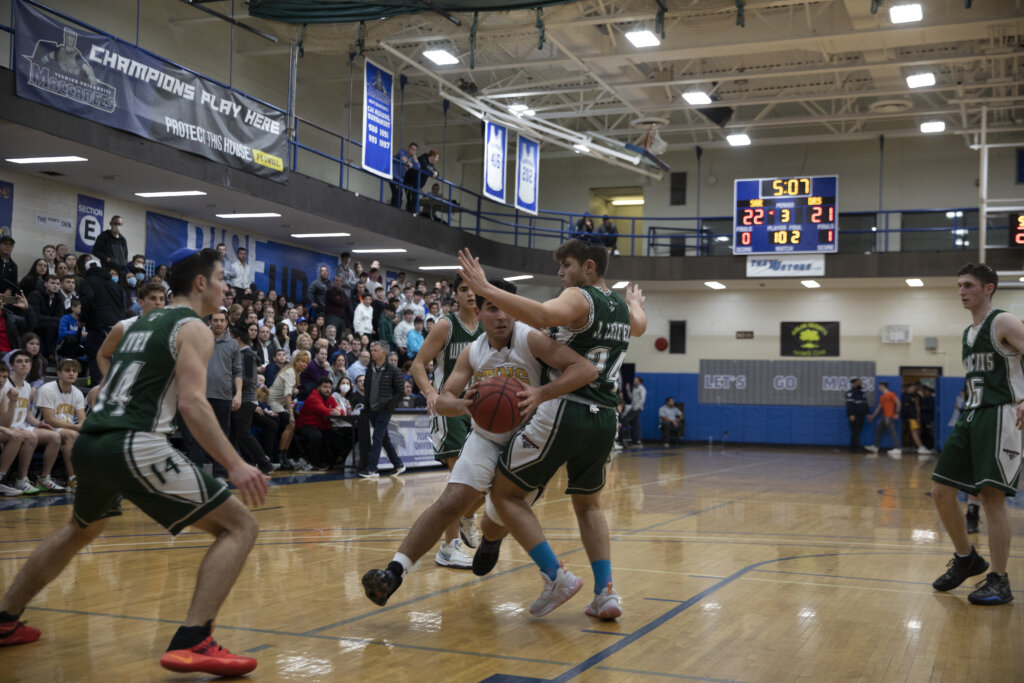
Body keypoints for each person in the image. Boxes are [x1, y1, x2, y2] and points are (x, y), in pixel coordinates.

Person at [0, 247, 269, 674]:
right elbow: (193, 404)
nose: (227, 287)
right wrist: (235, 463)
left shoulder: (141, 322)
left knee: (80, 530)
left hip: (91, 442)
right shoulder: (194, 328)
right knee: (241, 526)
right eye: (221, 278)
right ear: (200, 283)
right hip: (132, 442)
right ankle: (194, 639)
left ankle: (5, 619)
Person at [362, 278, 598, 606]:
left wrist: (541, 393)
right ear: (479, 312)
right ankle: (393, 573)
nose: (501, 315)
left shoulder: (530, 340)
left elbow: (585, 369)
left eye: (506, 308)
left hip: (528, 440)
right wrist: (463, 405)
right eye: (492, 308)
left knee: (497, 515)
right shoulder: (474, 351)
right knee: (451, 501)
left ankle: (490, 541)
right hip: (485, 437)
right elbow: (443, 400)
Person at [455, 239, 646, 619]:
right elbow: (640, 326)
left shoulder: (579, 297)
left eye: (567, 266)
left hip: (565, 407)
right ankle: (605, 592)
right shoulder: (623, 308)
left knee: (505, 494)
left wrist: (486, 290)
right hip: (605, 417)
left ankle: (555, 575)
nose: (561, 274)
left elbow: (542, 316)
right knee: (588, 505)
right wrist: (636, 301)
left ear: (589, 267)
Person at [930, 263, 1024, 606]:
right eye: (958, 285)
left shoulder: (1004, 321)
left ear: (989, 288)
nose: (961, 291)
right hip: (971, 415)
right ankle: (967, 558)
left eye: (968, 285)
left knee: (991, 498)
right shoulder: (969, 333)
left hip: (1000, 415)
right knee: (941, 490)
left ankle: (999, 579)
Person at [409, 273, 484, 564]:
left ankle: (467, 515)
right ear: (455, 294)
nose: (469, 294)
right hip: (449, 406)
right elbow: (418, 364)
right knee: (460, 478)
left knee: (491, 477)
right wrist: (430, 393)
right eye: (463, 290)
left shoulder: (487, 327)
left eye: (473, 289)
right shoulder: (446, 325)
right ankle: (449, 546)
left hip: (480, 409)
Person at [180, 310, 241, 479]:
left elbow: (238, 371)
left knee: (221, 437)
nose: (219, 323)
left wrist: (239, 394)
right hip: (200, 396)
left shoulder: (233, 344)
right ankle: (197, 476)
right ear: (210, 321)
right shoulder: (199, 341)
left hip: (224, 397)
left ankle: (219, 475)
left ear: (227, 323)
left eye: (222, 320)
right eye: (216, 320)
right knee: (197, 436)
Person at [0, 350, 62, 494]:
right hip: (9, 427)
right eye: (19, 361)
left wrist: (38, 424)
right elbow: (4, 419)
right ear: (11, 365)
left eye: (27, 361)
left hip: (21, 426)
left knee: (55, 436)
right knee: (28, 436)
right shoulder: (4, 384)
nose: (24, 364)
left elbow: (27, 413)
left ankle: (44, 477)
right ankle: (21, 479)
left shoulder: (27, 386)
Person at [228, 326, 278, 475]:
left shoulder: (247, 355)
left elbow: (249, 379)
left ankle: (264, 463)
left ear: (237, 339)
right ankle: (237, 465)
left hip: (245, 400)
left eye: (231, 337)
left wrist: (228, 379)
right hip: (237, 398)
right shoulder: (239, 354)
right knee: (233, 434)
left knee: (243, 434)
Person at [35, 358, 87, 490]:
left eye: (74, 371)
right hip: (43, 428)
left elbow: (82, 418)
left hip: (65, 430)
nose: (71, 373)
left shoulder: (77, 392)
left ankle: (89, 477)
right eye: (67, 370)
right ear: (59, 373)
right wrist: (76, 427)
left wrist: (81, 426)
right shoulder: (47, 389)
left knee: (87, 437)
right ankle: (72, 479)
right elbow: (49, 420)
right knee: (72, 435)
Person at [359, 341, 405, 478]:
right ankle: (398, 465)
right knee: (384, 439)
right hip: (371, 409)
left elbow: (400, 392)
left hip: (384, 409)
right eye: (372, 350)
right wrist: (366, 407)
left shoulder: (394, 370)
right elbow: (367, 389)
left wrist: (390, 406)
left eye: (375, 350)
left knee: (377, 437)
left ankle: (372, 469)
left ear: (383, 353)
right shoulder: (370, 368)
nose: (372, 352)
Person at [267, 350, 310, 468]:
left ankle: (285, 455)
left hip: (281, 403)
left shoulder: (294, 372)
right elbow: (287, 395)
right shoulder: (291, 372)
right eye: (302, 361)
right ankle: (281, 457)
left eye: (306, 362)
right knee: (290, 423)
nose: (304, 364)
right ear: (296, 362)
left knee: (292, 425)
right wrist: (291, 413)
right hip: (273, 402)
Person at [294, 376, 345, 470]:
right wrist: (334, 410)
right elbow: (324, 411)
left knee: (337, 435)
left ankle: (334, 460)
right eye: (325, 387)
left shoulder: (329, 397)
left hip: (321, 425)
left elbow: (341, 411)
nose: (328, 390)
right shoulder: (314, 397)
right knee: (317, 436)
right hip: (305, 425)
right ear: (318, 387)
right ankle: (314, 461)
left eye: (329, 387)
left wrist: (337, 410)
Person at [865, 382, 901, 458]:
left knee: (892, 431)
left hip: (889, 416)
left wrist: (897, 413)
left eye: (879, 386)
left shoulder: (891, 394)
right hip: (884, 417)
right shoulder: (882, 397)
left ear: (882, 386)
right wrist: (872, 416)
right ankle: (875, 447)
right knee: (878, 430)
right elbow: (879, 408)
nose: (879, 388)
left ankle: (897, 448)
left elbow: (898, 402)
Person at [618, 376, 646, 446]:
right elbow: (631, 398)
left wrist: (637, 407)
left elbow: (642, 399)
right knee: (636, 424)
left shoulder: (642, 389)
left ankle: (628, 438)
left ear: (639, 381)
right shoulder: (634, 388)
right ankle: (638, 440)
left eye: (636, 380)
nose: (634, 380)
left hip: (636, 408)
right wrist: (628, 390)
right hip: (633, 407)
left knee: (625, 419)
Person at [845, 377, 869, 454]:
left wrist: (867, 413)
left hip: (861, 415)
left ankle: (853, 447)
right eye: (859, 382)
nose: (861, 383)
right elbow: (849, 405)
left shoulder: (862, 393)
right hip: (855, 415)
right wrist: (851, 414)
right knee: (855, 431)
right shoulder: (850, 393)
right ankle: (856, 447)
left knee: (857, 431)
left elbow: (865, 404)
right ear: (855, 383)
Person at [392, 141, 419, 208]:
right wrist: (408, 162)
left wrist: (415, 157)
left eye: (414, 150)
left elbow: (418, 167)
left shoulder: (412, 160)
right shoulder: (402, 151)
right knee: (398, 194)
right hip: (394, 176)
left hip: (400, 179)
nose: (412, 150)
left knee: (397, 194)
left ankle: (392, 208)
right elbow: (402, 157)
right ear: (408, 148)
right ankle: (394, 210)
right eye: (411, 148)